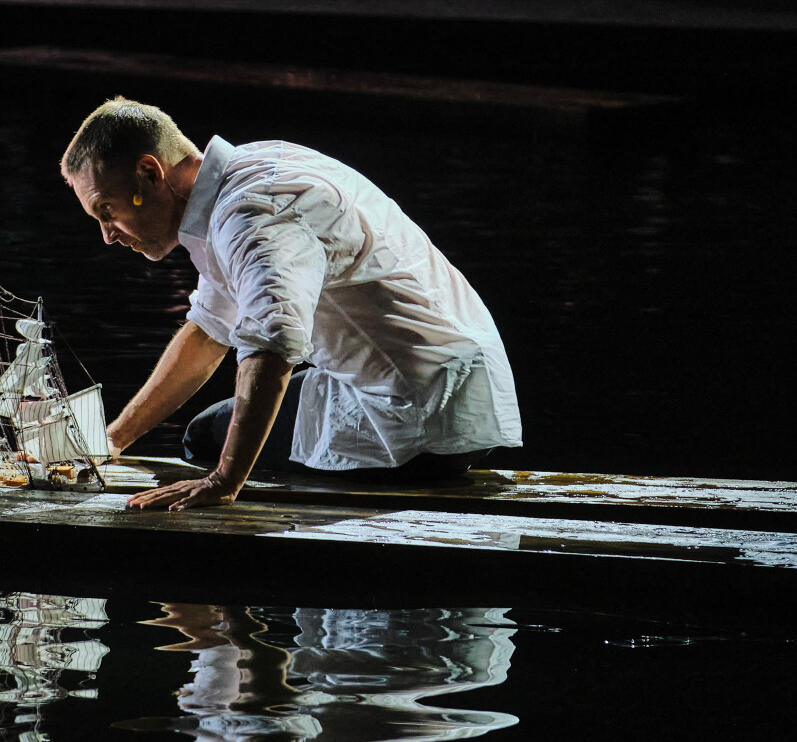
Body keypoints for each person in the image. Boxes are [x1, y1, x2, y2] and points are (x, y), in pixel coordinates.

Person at [60, 98, 519, 511]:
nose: (108, 234)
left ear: (150, 171)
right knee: (220, 426)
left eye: (107, 210)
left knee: (206, 439)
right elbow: (209, 330)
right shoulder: (249, 170)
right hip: (450, 387)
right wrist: (111, 439)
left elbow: (272, 344)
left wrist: (223, 482)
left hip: (425, 418)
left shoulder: (250, 214)